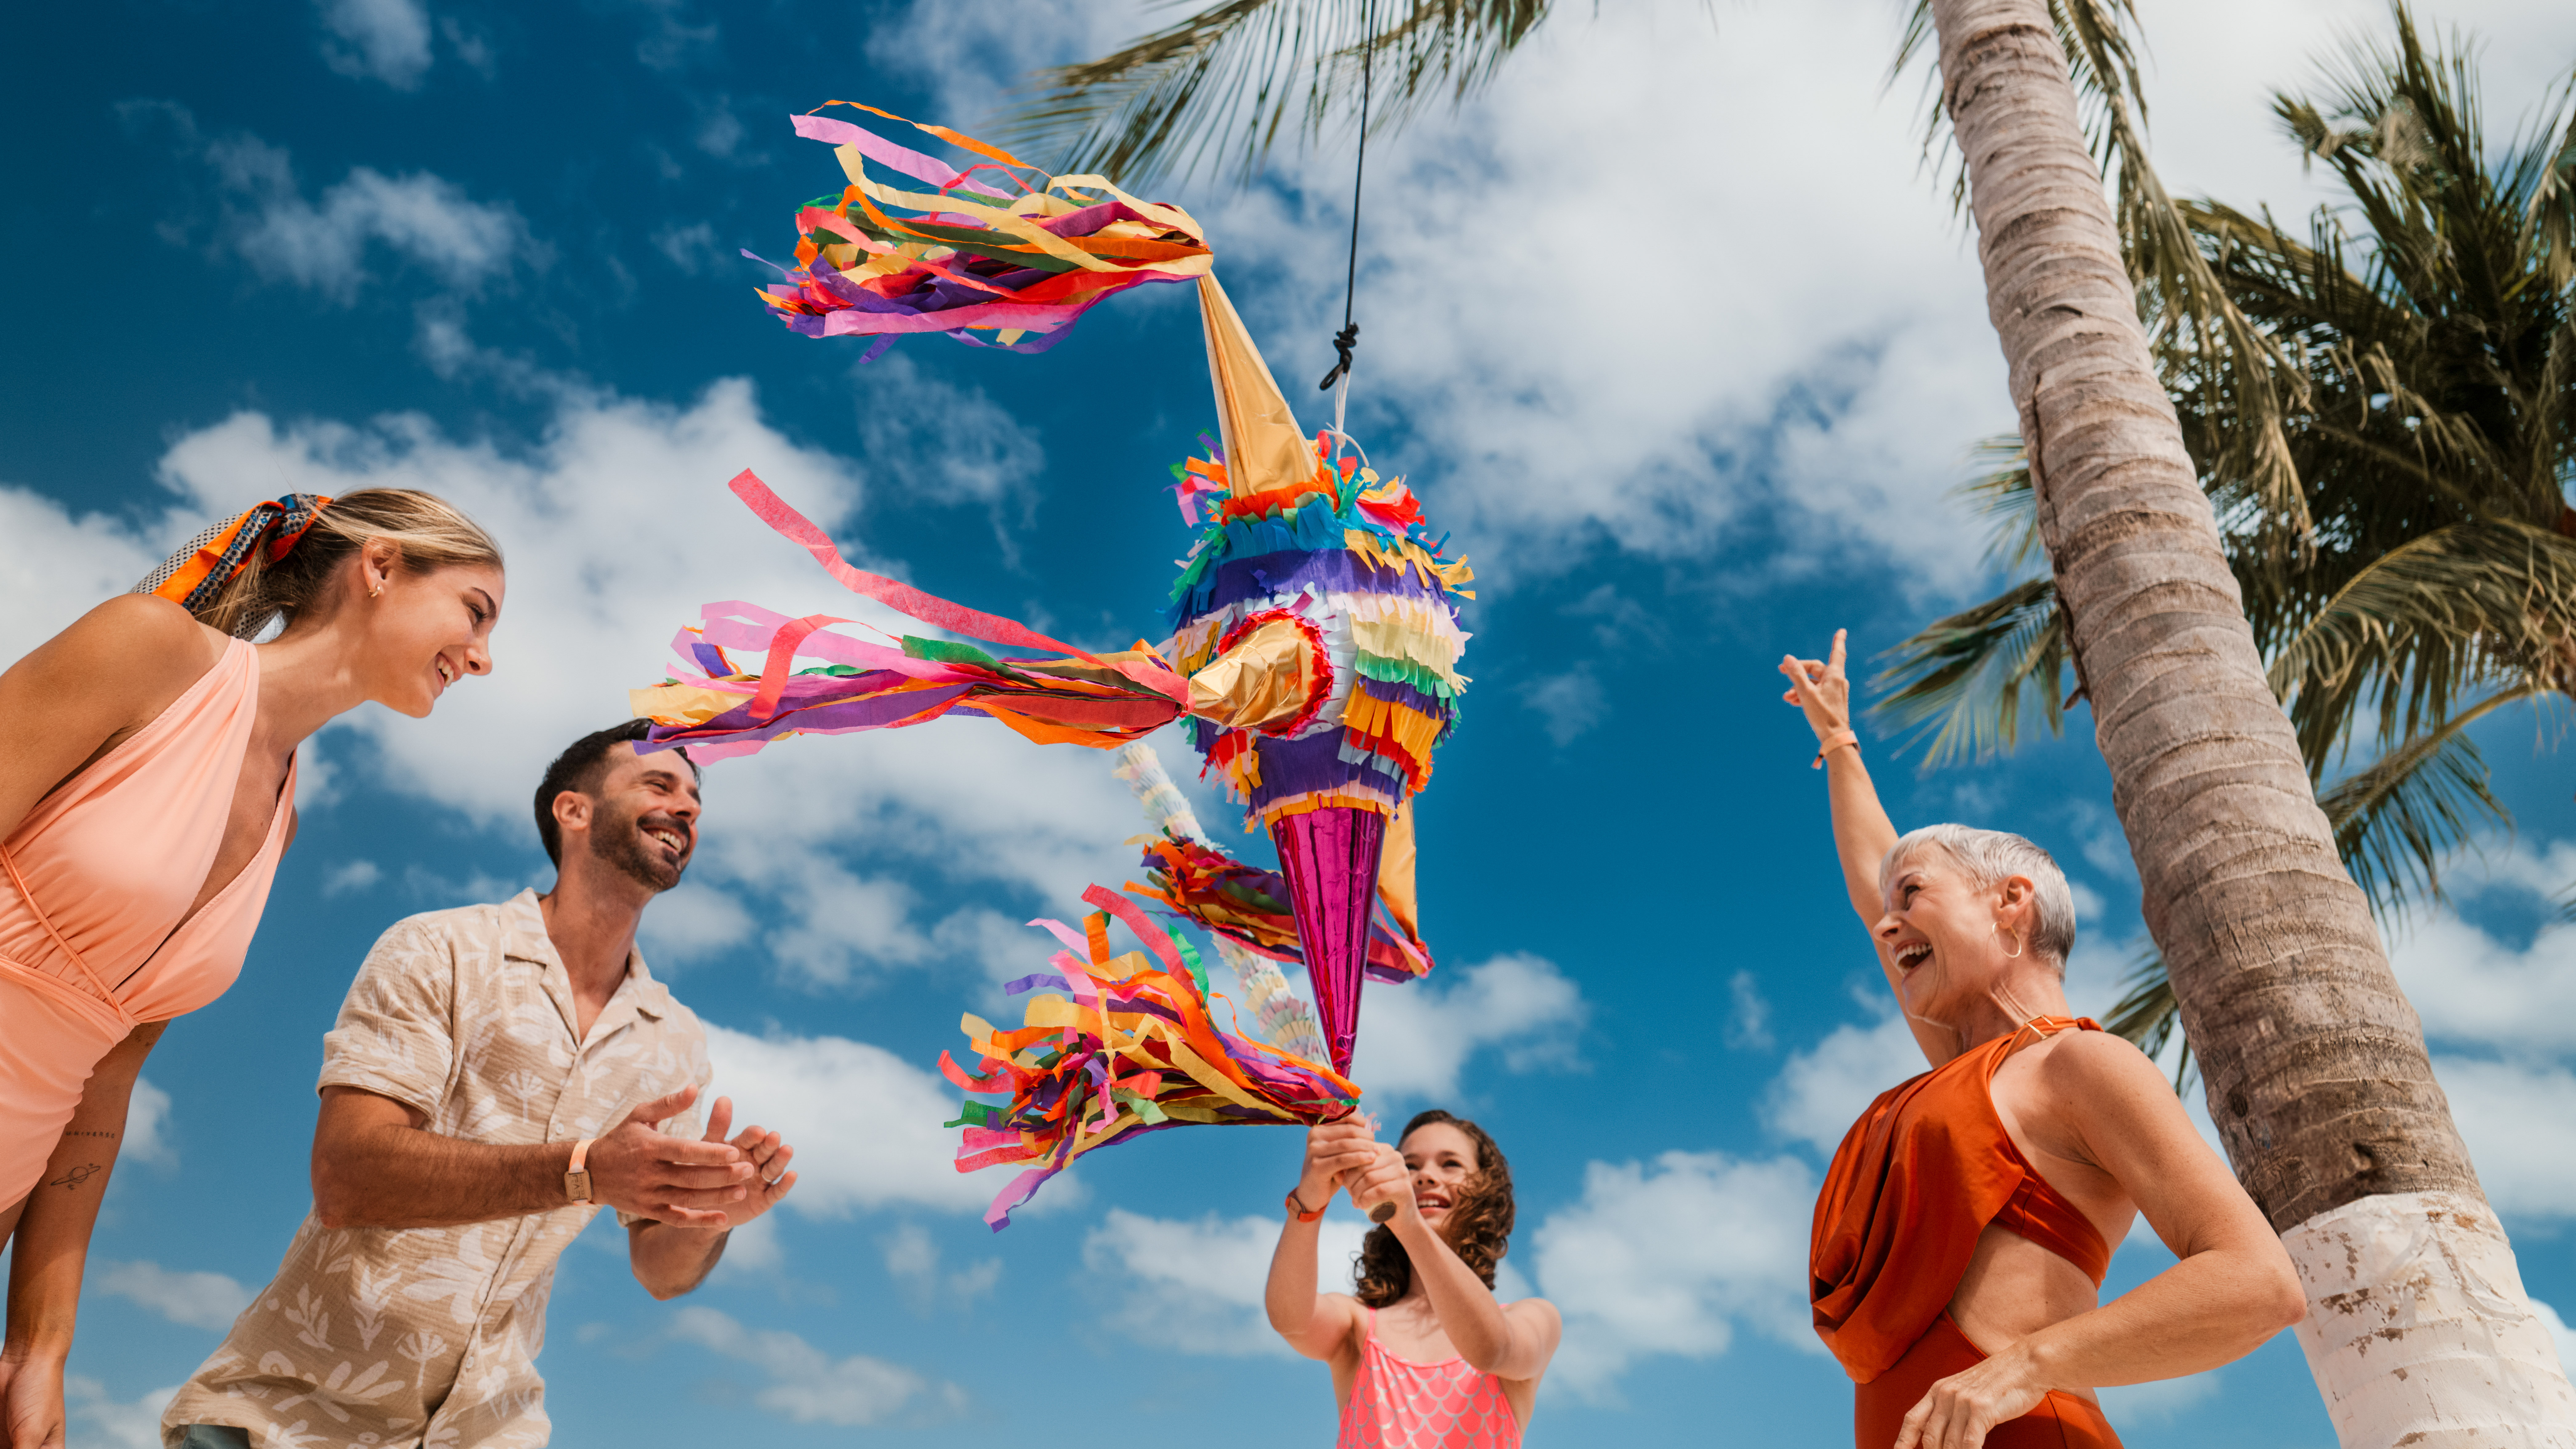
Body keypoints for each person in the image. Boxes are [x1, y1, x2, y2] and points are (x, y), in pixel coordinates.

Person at [0, 490, 505, 1449]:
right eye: (475, 612)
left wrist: (40, 1346)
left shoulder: (285, 821)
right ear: (381, 567)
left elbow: (105, 1081)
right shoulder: (148, 651)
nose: (483, 656)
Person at [160, 721, 799, 1449]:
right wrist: (584, 1170)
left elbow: (660, 1271)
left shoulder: (674, 1039)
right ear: (574, 810)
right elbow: (348, 1175)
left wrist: (709, 1216)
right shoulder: (440, 949)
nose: (686, 806)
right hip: (288, 1421)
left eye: (694, 798)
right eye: (659, 784)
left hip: (488, 1428)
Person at [1780, 630, 2305, 1449]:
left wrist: (2027, 1365)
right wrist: (1839, 742)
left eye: (1912, 894)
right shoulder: (1968, 1072)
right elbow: (1869, 885)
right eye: (1888, 906)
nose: (1888, 921)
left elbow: (2260, 1282)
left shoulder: (2078, 1064)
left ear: (2009, 902)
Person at [1266, 1110, 1561, 1448]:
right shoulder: (1359, 1323)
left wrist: (1409, 1223)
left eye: (1450, 1164)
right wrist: (1310, 1198)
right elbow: (1291, 1319)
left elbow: (1492, 1349)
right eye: (1410, 1166)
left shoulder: (1535, 1318)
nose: (1425, 1177)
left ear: (1487, 1190)